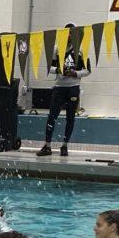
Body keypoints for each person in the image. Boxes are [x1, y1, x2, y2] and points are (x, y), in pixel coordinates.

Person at [38, 24, 90, 157]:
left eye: (71, 33)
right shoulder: (56, 48)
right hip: (59, 88)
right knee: (52, 116)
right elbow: (49, 67)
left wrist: (75, 73)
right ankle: (47, 145)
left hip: (73, 88)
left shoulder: (81, 50)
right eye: (67, 33)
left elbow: (88, 70)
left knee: (70, 117)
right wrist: (59, 70)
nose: (69, 36)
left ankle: (64, 145)